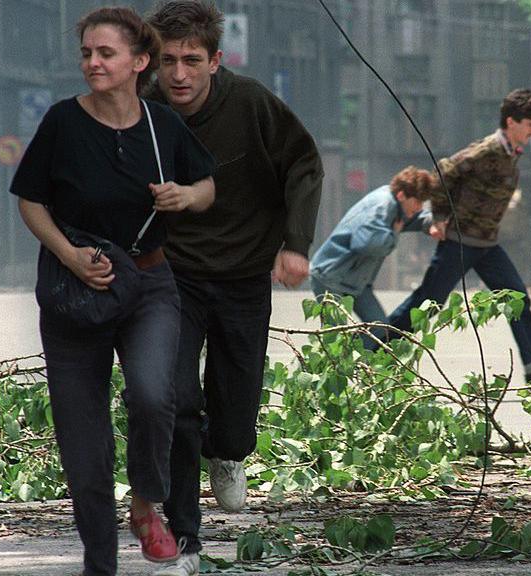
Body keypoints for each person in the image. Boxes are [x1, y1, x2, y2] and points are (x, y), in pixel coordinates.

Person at [10, 7, 215, 575]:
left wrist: (183, 198)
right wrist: (70, 255)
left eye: (106, 54)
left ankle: (148, 505)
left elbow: (207, 186)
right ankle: (99, 563)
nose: (93, 63)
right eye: (86, 54)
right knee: (84, 440)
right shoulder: (61, 123)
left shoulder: (162, 126)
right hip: (76, 294)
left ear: (138, 62)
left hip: (148, 283)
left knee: (154, 394)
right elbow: (30, 199)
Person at [146, 2, 323, 574]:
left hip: (245, 273)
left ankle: (228, 453)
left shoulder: (249, 103)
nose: (179, 74)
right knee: (175, 397)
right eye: (168, 61)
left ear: (215, 61)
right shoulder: (143, 110)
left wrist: (296, 243)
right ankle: (183, 533)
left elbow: (304, 162)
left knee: (236, 400)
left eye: (192, 61)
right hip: (172, 274)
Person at [375, 89, 531, 386]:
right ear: (511, 122)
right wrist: (439, 217)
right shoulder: (486, 150)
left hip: (487, 244)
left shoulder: (510, 153)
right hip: (460, 242)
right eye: (529, 124)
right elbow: (443, 172)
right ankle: (372, 347)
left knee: (516, 297)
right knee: (428, 301)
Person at [309, 166, 434, 322]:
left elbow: (414, 218)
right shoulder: (381, 207)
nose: (419, 207)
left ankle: (354, 346)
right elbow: (367, 244)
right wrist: (393, 234)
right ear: (402, 195)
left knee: (379, 329)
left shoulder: (397, 204)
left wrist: (433, 223)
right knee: (335, 336)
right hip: (331, 277)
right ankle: (348, 346)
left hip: (356, 282)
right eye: (417, 202)